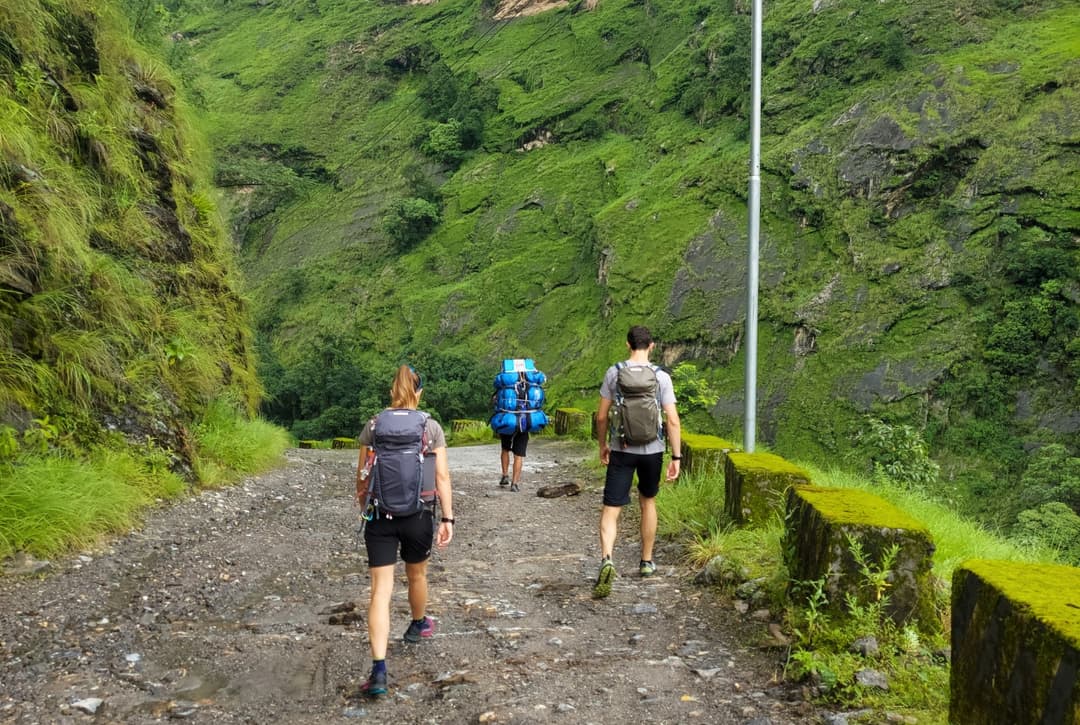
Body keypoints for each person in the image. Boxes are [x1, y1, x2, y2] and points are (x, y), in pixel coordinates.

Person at [354, 365, 454, 697]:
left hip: (379, 516)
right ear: (419, 392)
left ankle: (379, 671)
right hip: (418, 515)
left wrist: (365, 509)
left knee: (380, 592)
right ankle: (417, 624)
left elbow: (362, 477)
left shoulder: (373, 426)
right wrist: (448, 519)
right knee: (417, 575)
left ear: (391, 392)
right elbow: (441, 478)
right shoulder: (430, 427)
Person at [593, 326, 681, 598]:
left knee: (611, 508)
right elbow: (673, 420)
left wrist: (603, 445)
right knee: (648, 502)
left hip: (622, 448)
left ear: (627, 344)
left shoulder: (614, 373)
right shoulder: (661, 377)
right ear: (652, 346)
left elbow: (601, 417)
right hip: (652, 450)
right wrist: (676, 456)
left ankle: (607, 558)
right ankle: (646, 561)